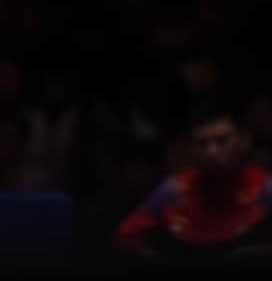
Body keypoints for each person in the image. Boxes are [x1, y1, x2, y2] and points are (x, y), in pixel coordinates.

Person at [113, 95, 272, 266]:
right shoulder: (174, 190)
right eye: (202, 143)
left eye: (222, 140)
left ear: (243, 141)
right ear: (190, 148)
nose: (211, 151)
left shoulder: (265, 188)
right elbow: (126, 236)